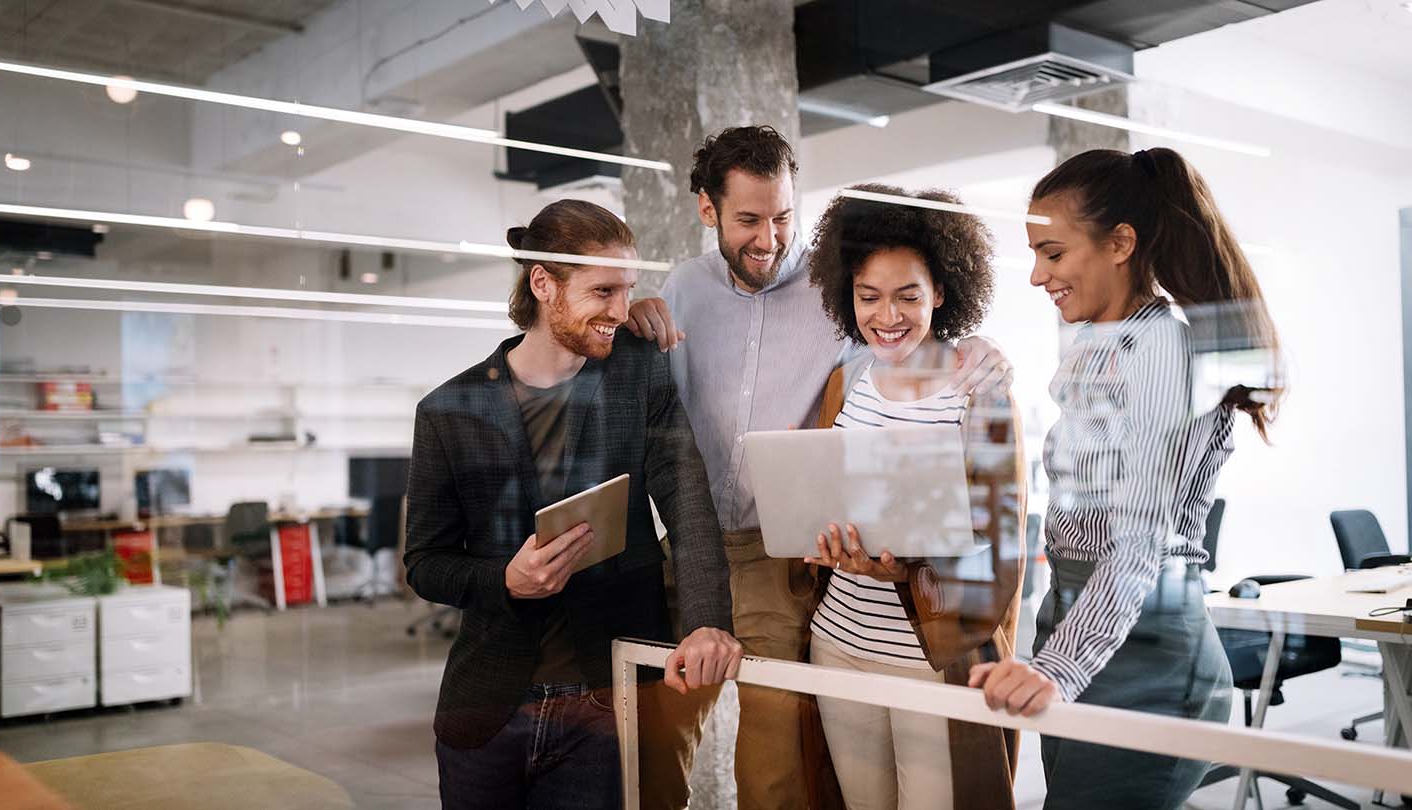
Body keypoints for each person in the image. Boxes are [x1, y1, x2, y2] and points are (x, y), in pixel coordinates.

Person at [625, 125, 1012, 810]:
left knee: (775, 763)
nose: (769, 239)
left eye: (782, 217)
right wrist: (634, 314)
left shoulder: (831, 290)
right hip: (688, 547)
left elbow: (905, 350)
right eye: (748, 219)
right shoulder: (682, 287)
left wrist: (978, 346)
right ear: (707, 210)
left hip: (779, 555)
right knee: (654, 746)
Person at [968, 147, 1283, 809]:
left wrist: (1055, 667)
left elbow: (1138, 540)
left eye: (1052, 253)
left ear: (1120, 244)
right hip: (1084, 623)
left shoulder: (1160, 351)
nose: (1036, 275)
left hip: (1146, 655)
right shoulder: (1105, 343)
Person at [404, 199, 742, 810]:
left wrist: (706, 622)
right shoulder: (447, 412)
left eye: (628, 289)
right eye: (603, 290)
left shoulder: (637, 374)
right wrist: (504, 579)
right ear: (543, 284)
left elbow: (689, 504)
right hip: (489, 707)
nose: (620, 310)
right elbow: (425, 563)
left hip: (607, 702)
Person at [799, 184, 1025, 810]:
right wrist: (823, 544)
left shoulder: (980, 390)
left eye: (908, 296)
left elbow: (1003, 544)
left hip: (931, 657)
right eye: (868, 296)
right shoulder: (847, 382)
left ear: (943, 292)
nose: (887, 316)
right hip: (839, 645)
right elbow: (823, 490)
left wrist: (912, 569)